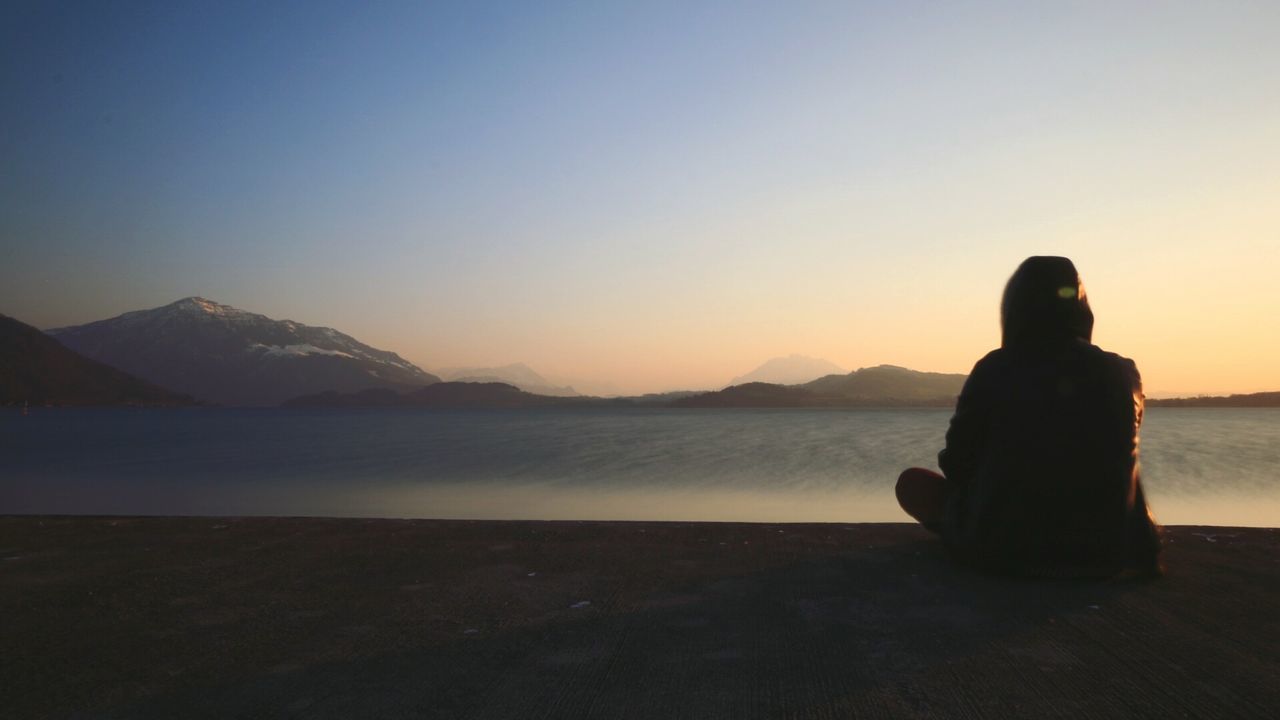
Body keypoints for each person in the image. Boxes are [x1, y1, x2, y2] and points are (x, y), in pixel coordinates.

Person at [897, 256, 1162, 577]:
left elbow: (957, 463)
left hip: (1004, 549)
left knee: (912, 484)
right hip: (1110, 550)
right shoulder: (1123, 373)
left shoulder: (994, 369)